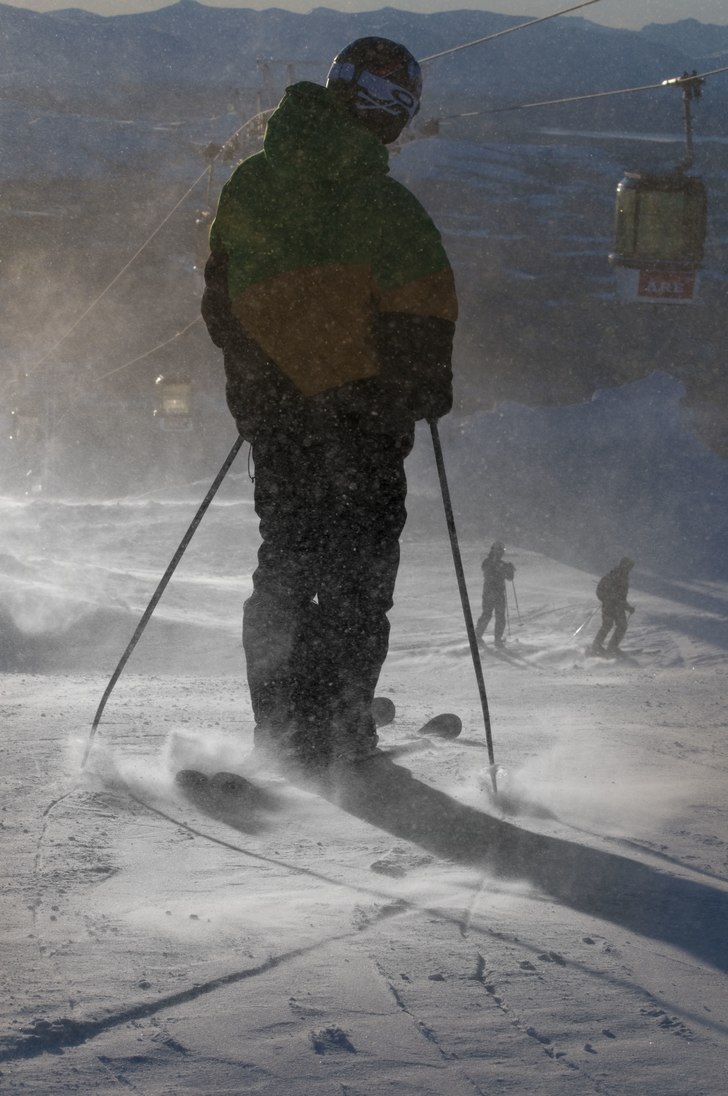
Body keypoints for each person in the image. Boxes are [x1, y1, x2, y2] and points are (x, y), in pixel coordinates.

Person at [201, 38, 458, 770]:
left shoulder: (252, 185)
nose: (388, 119)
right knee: (358, 569)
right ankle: (340, 722)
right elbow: (425, 316)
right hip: (365, 425)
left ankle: (284, 725)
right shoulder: (388, 208)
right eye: (389, 104)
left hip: (280, 419)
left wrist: (264, 381)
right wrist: (415, 392)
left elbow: (223, 303)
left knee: (287, 562)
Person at [590, 557, 635, 657]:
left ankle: (605, 647)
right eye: (629, 566)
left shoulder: (621, 577)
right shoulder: (615, 575)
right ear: (624, 565)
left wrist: (628, 607)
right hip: (611, 606)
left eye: (630, 567)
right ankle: (603, 647)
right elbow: (602, 591)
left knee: (615, 625)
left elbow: (622, 597)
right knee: (612, 625)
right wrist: (608, 599)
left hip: (616, 607)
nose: (629, 569)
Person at [475, 542, 515, 648]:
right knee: (491, 615)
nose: (500, 552)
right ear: (493, 550)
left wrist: (510, 570)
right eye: (499, 550)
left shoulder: (499, 563)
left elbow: (509, 578)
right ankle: (479, 637)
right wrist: (503, 568)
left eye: (502, 550)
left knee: (496, 616)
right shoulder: (488, 562)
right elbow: (488, 572)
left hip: (495, 593)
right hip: (492, 593)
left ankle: (494, 639)